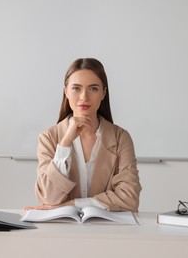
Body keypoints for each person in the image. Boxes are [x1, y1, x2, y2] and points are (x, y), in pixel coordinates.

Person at [30, 58, 142, 212]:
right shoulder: (48, 137)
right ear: (66, 92)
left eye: (93, 88)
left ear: (103, 93)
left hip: (107, 230)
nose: (84, 97)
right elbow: (49, 198)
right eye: (76, 88)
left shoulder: (120, 137)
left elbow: (129, 199)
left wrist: (74, 204)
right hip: (62, 230)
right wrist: (65, 143)